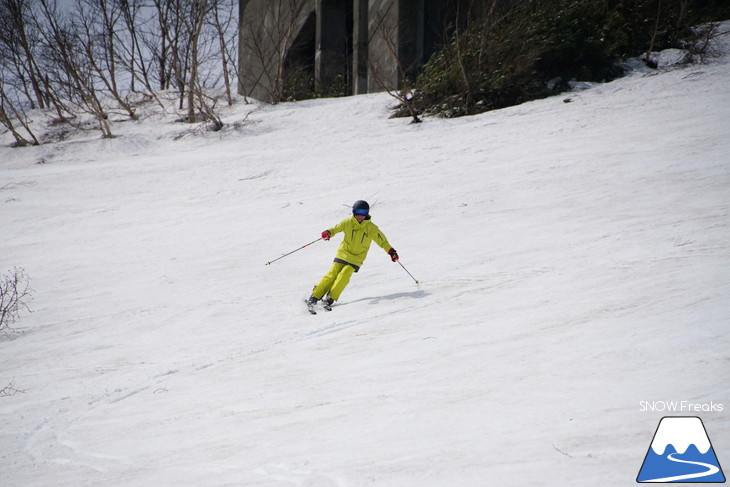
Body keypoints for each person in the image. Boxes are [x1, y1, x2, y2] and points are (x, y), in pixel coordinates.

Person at [308, 200, 398, 307]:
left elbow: (382, 241)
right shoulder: (347, 222)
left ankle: (330, 298)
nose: (360, 216)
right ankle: (314, 296)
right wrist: (328, 233)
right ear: (353, 212)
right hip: (343, 254)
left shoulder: (371, 228)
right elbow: (335, 229)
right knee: (332, 274)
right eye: (357, 212)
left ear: (367, 213)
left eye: (363, 213)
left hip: (357, 258)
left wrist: (391, 251)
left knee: (344, 276)